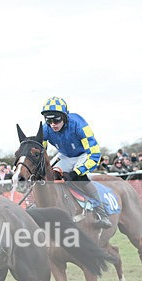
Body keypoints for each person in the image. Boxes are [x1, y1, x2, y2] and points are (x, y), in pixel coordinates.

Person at [39, 96, 111, 228]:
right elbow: (40, 154)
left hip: (84, 154)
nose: (53, 124)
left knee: (79, 178)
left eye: (56, 120)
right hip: (65, 156)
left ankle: (102, 212)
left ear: (65, 117)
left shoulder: (79, 125)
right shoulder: (45, 129)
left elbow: (94, 154)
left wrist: (74, 173)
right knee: (50, 176)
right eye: (49, 120)